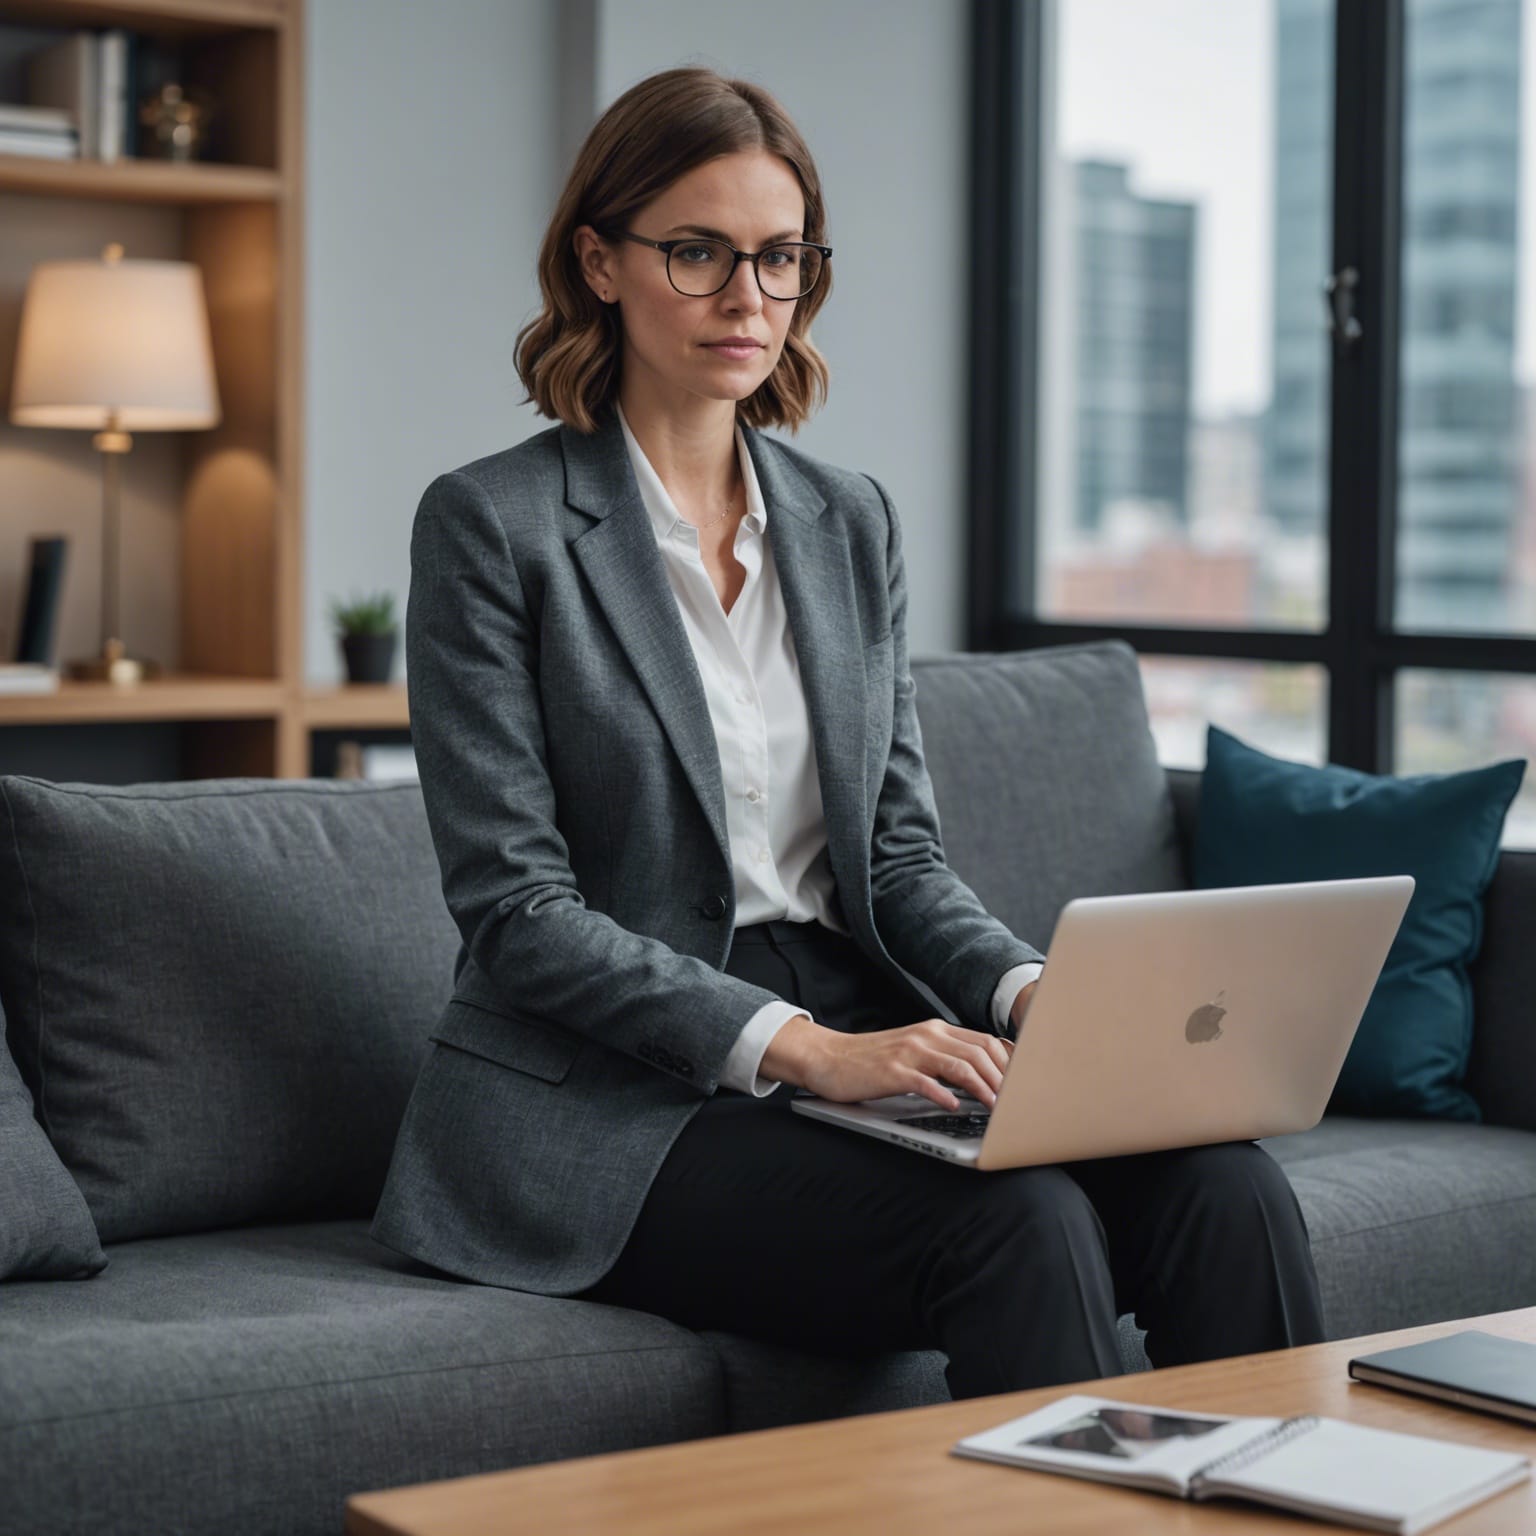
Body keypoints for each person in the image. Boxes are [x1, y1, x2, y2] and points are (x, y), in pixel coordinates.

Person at [370, 66, 1325, 1398]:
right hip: (626, 1097)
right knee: (1020, 1220)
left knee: (1228, 1190)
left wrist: (1033, 994)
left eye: (779, 258)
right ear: (600, 260)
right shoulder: (491, 527)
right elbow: (516, 912)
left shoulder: (847, 519)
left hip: (864, 1022)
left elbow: (898, 860)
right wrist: (806, 1049)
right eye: (697, 252)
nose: (746, 297)